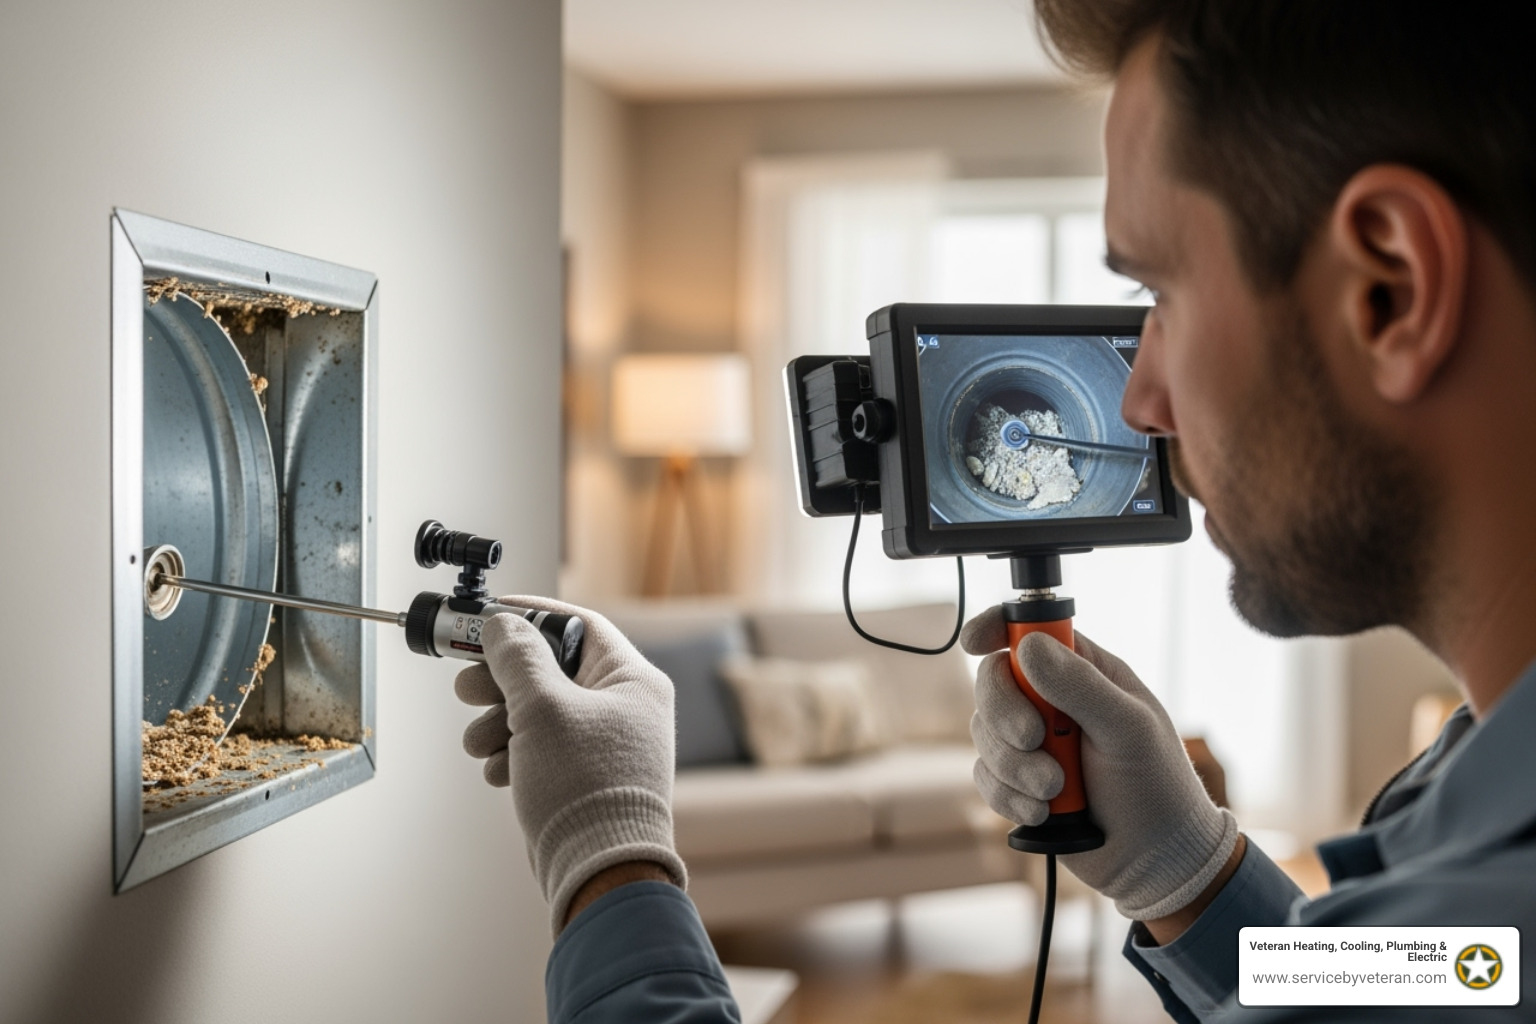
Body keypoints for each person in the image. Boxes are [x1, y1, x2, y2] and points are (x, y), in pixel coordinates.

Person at [455, 2, 1536, 1020]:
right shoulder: (1476, 849)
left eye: (1160, 293)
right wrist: (1195, 873)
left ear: (1388, 288)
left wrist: (609, 852)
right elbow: (1419, 982)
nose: (1139, 401)